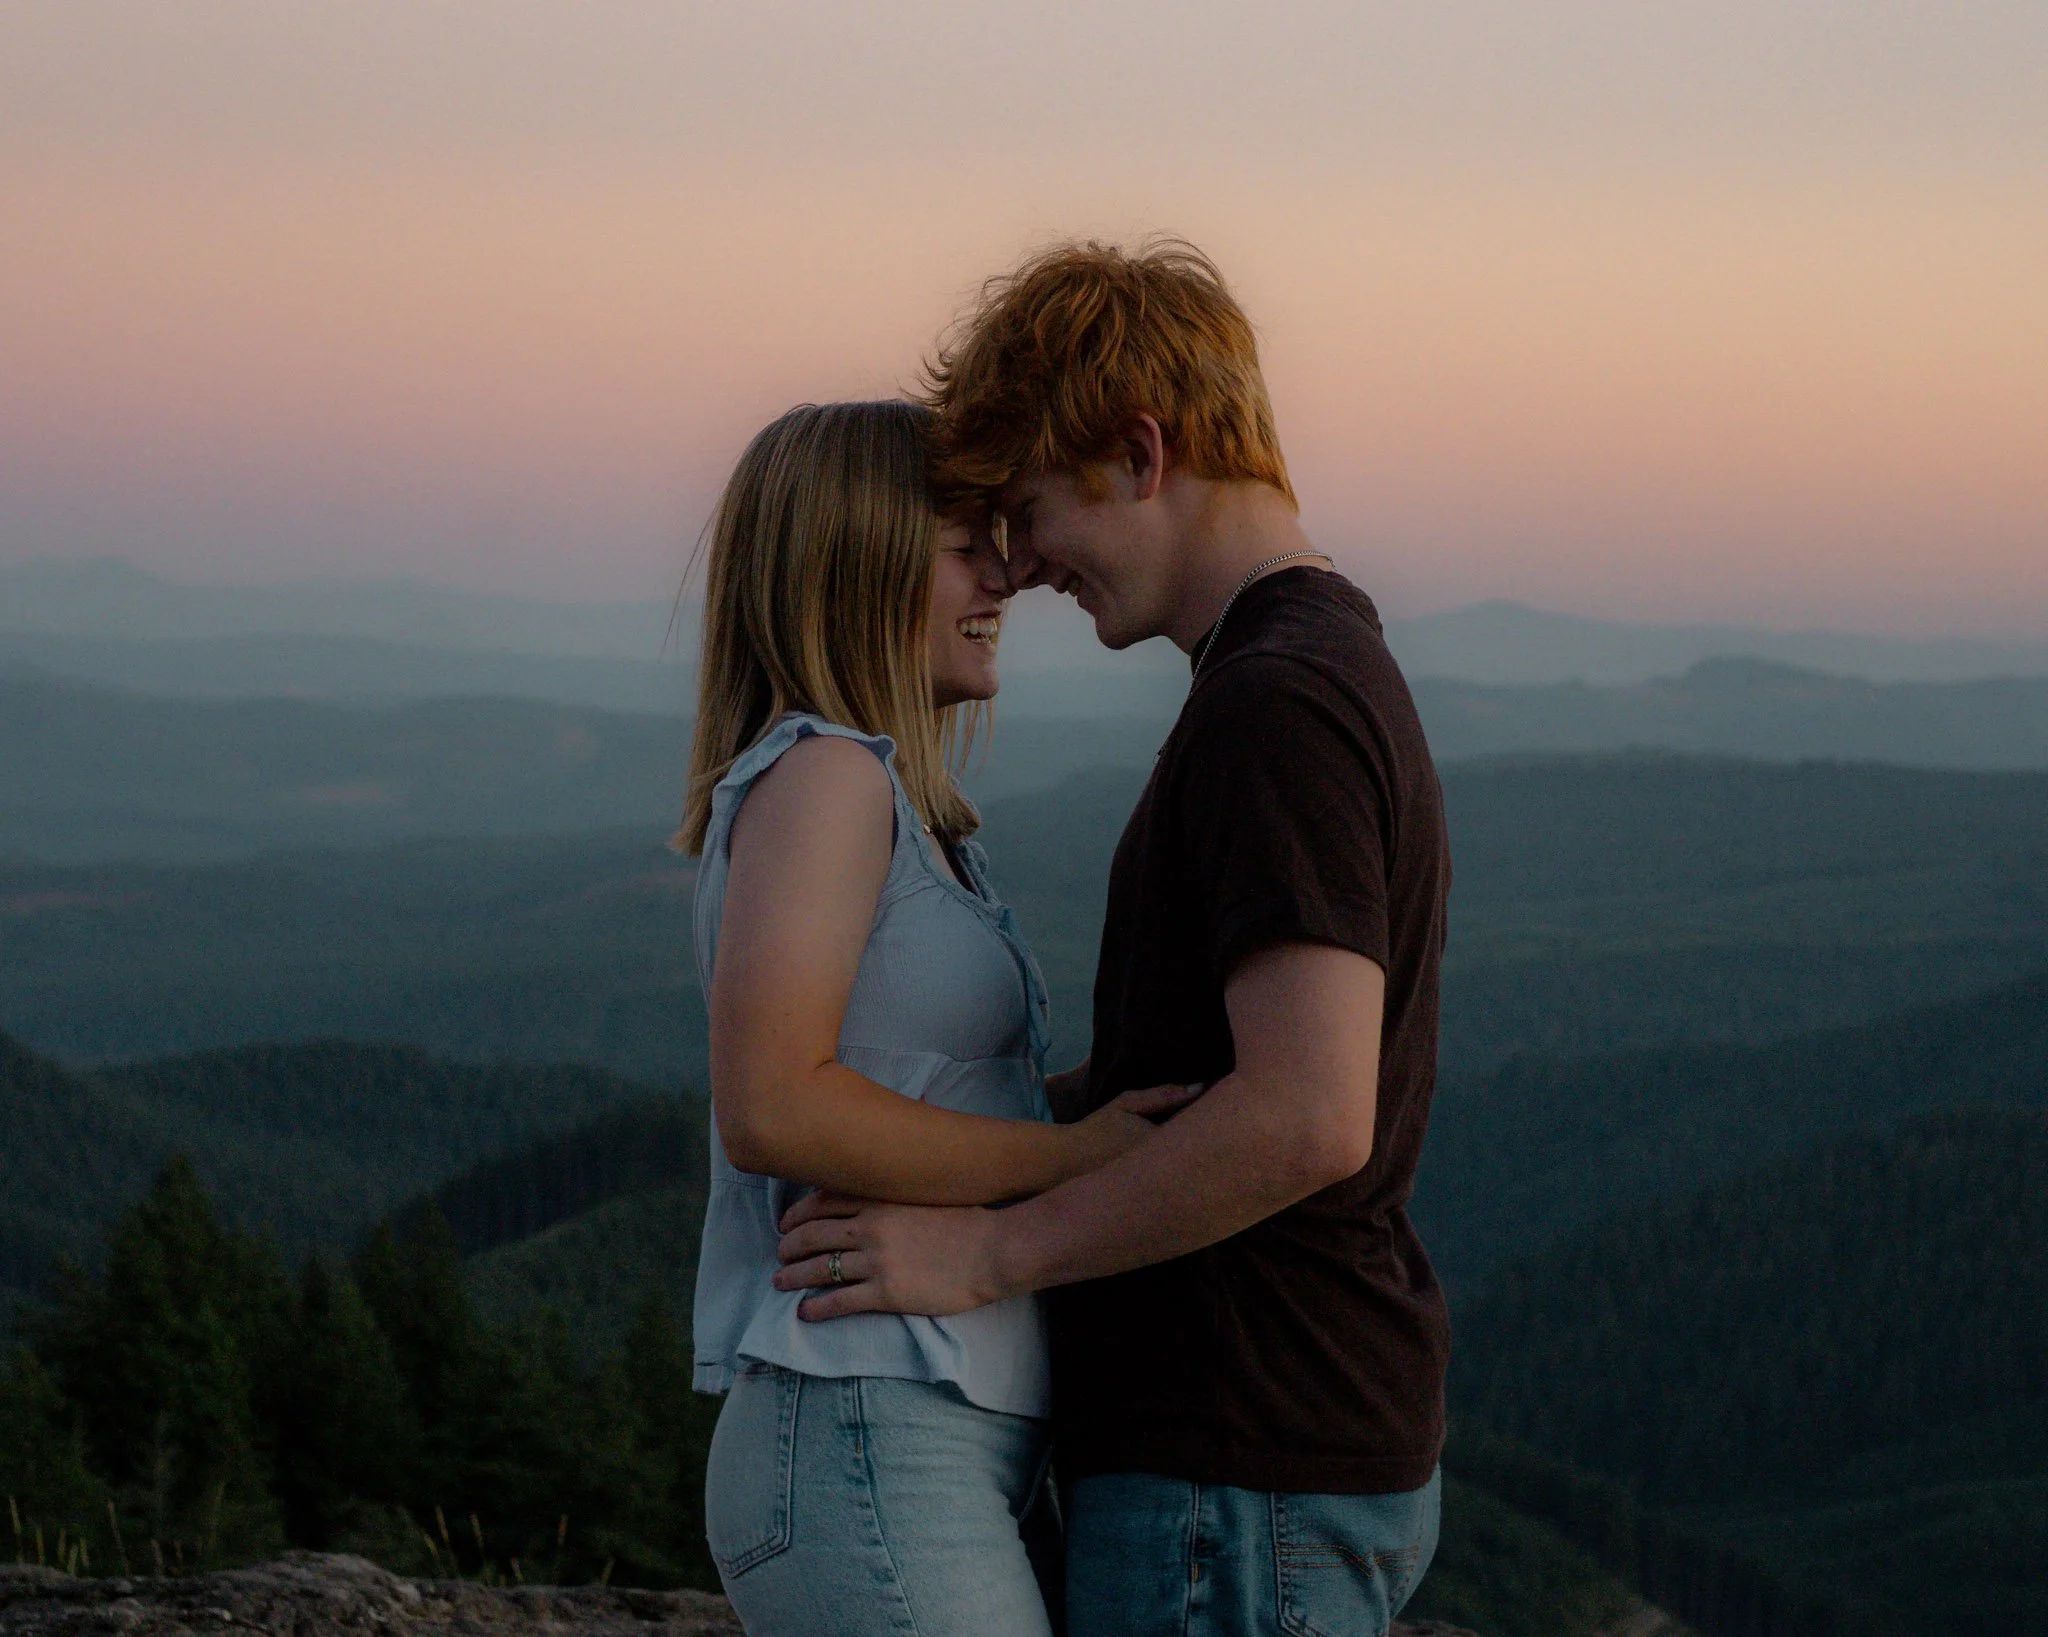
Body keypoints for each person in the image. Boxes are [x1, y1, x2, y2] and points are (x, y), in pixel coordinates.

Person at [774, 243, 1453, 1637]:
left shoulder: (1281, 703)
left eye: (1028, 509)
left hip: (1238, 1450)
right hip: (1255, 1453)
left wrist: (987, 1256)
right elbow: (1200, 1081)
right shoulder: (1299, 672)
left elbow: (1309, 1114)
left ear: (1141, 453)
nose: (1022, 568)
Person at [680, 399, 1195, 1636]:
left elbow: (898, 1078)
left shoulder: (893, 801)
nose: (1006, 573)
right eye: (966, 542)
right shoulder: (825, 776)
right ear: (858, 558)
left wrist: (1091, 1102)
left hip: (919, 1426)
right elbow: (775, 1102)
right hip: (861, 1417)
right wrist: (1073, 1159)